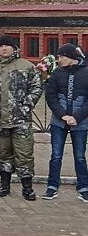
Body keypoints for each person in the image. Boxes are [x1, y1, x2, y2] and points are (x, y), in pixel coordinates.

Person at [0, 35, 43, 201]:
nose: (4, 48)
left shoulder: (26, 66)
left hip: (21, 121)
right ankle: (4, 185)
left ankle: (27, 188)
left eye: (7, 45)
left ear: (14, 48)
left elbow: (36, 87)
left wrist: (26, 105)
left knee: (24, 154)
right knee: (3, 153)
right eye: (1, 46)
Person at [42, 43, 88, 201]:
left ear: (70, 57)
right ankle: (52, 187)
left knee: (80, 156)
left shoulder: (86, 73)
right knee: (56, 155)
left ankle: (83, 188)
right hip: (58, 122)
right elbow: (50, 96)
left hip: (80, 122)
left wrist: (77, 117)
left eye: (61, 56)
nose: (59, 60)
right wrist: (62, 115)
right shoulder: (57, 73)